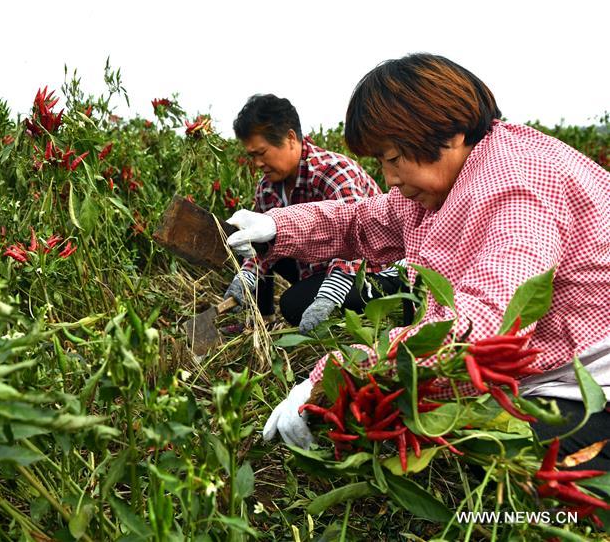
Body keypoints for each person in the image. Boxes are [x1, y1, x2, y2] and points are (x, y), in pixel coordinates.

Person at [226, 54, 610, 465]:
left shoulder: (513, 185)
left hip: (590, 381)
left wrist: (338, 375)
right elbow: (362, 219)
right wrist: (278, 227)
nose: (388, 177)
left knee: (525, 462)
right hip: (547, 367)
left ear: (451, 133)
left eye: (392, 159)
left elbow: (486, 331)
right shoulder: (451, 178)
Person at [223, 94, 404, 333]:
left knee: (294, 305)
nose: (257, 163)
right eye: (252, 155)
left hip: (369, 269)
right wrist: (245, 278)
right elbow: (260, 248)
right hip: (316, 264)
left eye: (261, 153)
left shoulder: (333, 171)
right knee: (251, 241)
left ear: (290, 138)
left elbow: (354, 236)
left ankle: (385, 295)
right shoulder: (267, 188)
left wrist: (330, 294)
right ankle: (261, 319)